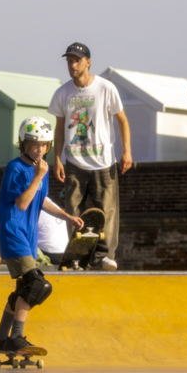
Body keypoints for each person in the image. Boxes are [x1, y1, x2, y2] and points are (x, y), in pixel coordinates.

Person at [0, 117, 83, 354]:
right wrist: (38, 176)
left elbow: (41, 200)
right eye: (34, 145)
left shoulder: (41, 169)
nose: (39, 150)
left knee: (23, 290)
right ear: (24, 144)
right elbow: (22, 203)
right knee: (37, 285)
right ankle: (16, 338)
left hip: (28, 239)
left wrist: (67, 217)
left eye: (44, 145)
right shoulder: (16, 168)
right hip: (13, 234)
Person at [48, 42, 132, 271]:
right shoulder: (62, 92)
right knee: (73, 211)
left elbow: (122, 120)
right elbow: (59, 128)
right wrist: (57, 159)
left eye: (77, 60)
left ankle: (104, 256)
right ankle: (77, 255)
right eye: (69, 61)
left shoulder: (105, 88)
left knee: (108, 212)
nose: (72, 65)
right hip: (74, 163)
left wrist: (127, 151)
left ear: (88, 62)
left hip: (104, 163)